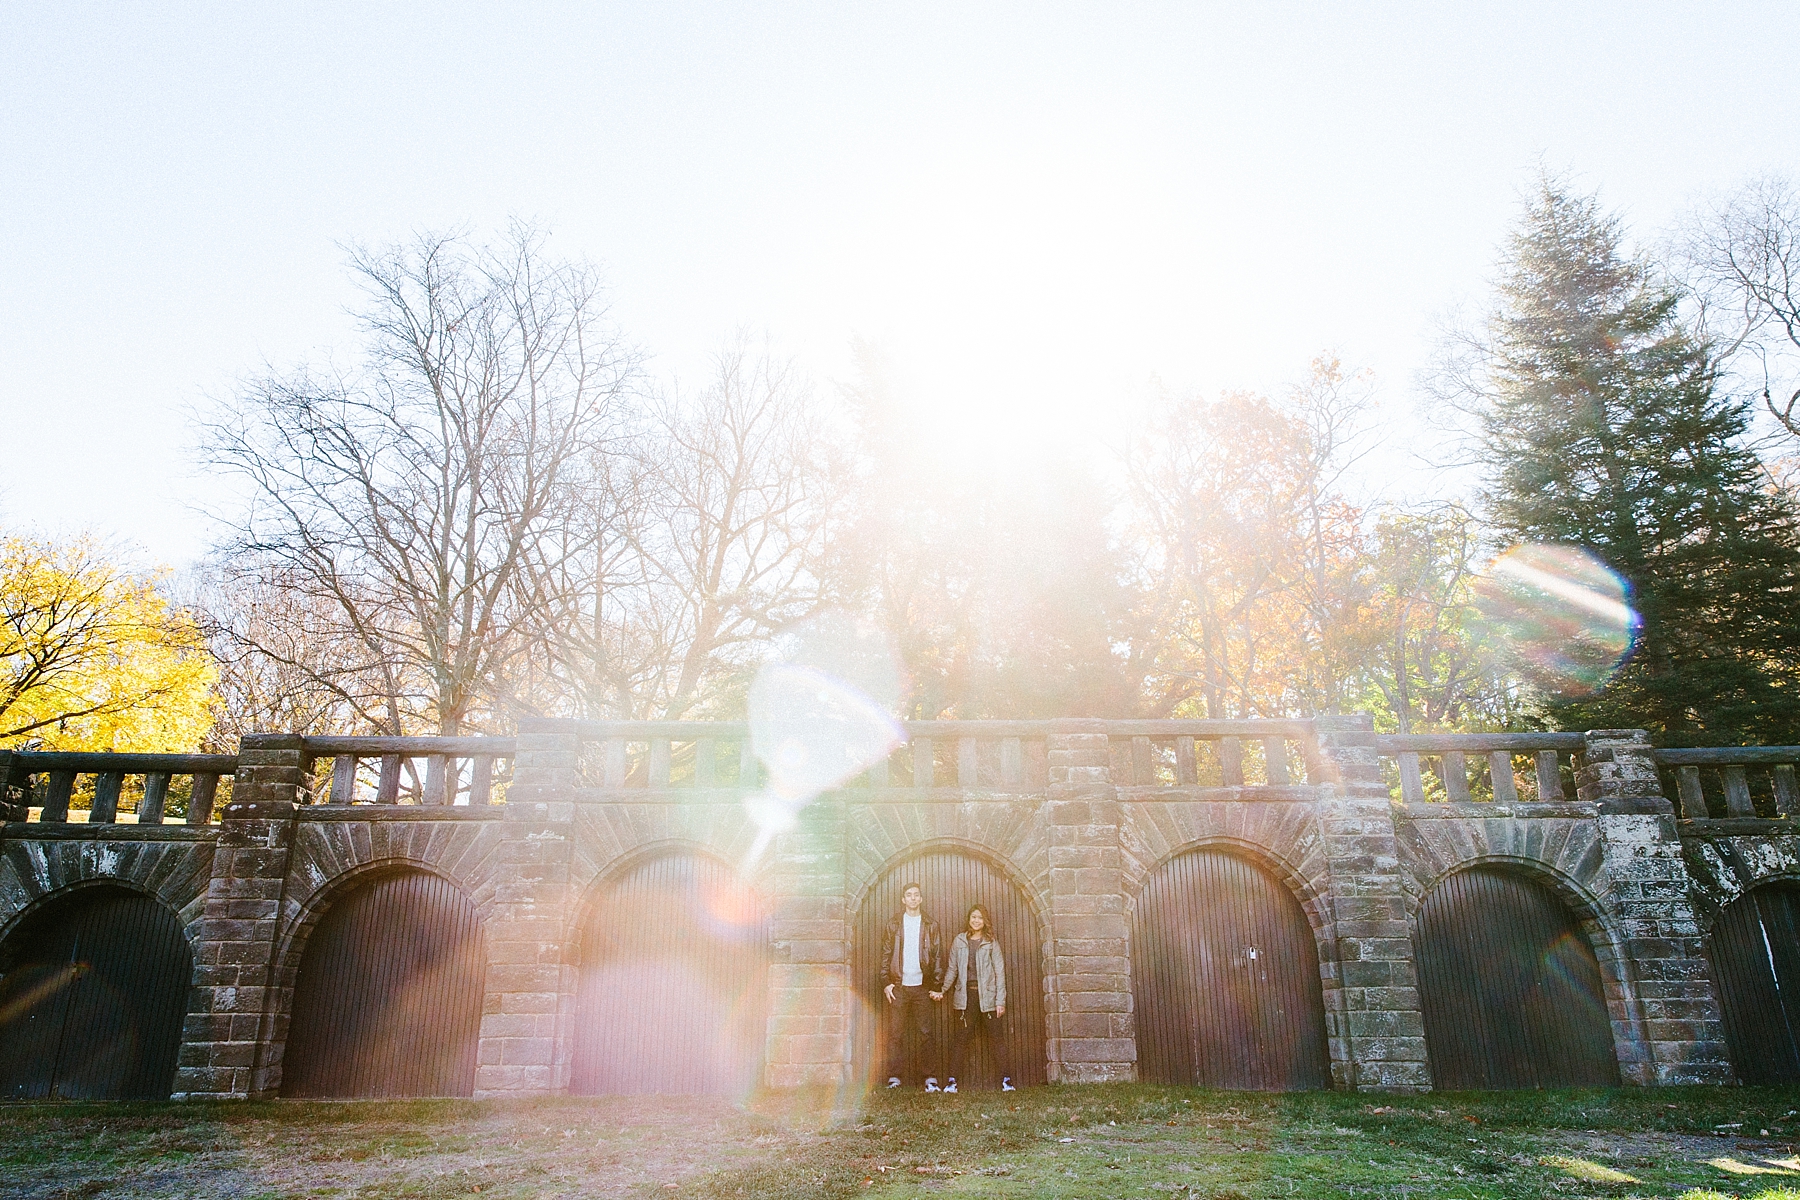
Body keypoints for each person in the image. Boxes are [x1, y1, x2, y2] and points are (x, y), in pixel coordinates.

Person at [940, 903, 1014, 1093]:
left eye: (980, 917)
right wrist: (942, 990)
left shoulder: (991, 943)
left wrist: (1000, 1001)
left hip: (987, 999)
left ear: (985, 921)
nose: (976, 920)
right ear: (968, 919)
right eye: (973, 917)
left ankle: (1006, 1081)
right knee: (961, 1039)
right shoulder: (959, 941)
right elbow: (952, 969)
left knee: (996, 1039)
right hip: (965, 998)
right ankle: (952, 1082)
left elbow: (1000, 972)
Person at [879, 881, 944, 1091]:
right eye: (909, 895)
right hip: (899, 985)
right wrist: (886, 982)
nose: (913, 898)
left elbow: (936, 956)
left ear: (921, 899)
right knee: (896, 1033)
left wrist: (936, 985)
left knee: (926, 1033)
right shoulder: (894, 923)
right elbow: (886, 953)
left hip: (922, 987)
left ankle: (929, 1078)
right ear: (903, 899)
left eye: (917, 894)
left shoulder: (931, 925)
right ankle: (894, 1078)